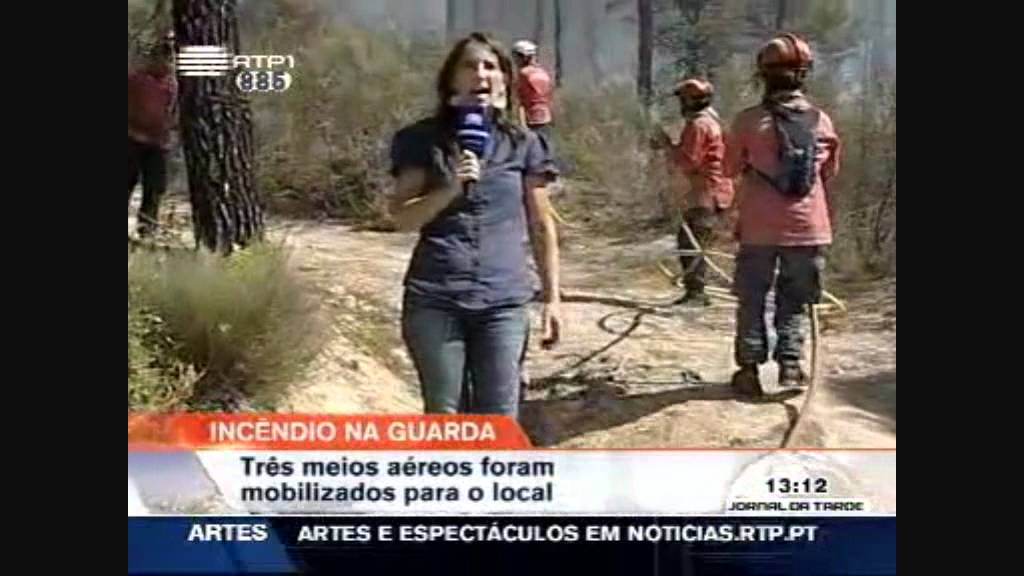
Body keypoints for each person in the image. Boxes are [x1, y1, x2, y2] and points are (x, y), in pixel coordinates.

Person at [388, 33, 562, 417]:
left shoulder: (524, 143)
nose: (480, 74)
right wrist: (450, 187)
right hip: (436, 297)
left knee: (499, 416)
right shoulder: (421, 139)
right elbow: (400, 217)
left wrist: (552, 298)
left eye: (491, 66)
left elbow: (540, 224)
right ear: (451, 79)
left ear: (504, 79)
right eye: (469, 65)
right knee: (445, 414)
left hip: (504, 301)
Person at [724, 33, 841, 395]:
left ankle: (748, 371)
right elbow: (829, 173)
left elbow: (729, 168)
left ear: (763, 74)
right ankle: (791, 365)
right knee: (795, 298)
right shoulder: (822, 122)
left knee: (752, 297)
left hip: (758, 227)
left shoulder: (747, 122)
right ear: (804, 75)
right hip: (808, 228)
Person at [665, 77, 734, 306]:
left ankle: (696, 293)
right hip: (715, 189)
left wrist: (667, 146)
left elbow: (689, 161)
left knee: (690, 243)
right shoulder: (712, 121)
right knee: (696, 242)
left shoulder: (698, 125)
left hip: (707, 192)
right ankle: (696, 290)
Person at [128, 39, 177, 238]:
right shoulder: (135, 80)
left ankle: (147, 230)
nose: (167, 63)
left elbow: (174, 111)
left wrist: (172, 130)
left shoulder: (172, 84)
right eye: (164, 57)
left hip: (158, 143)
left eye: (171, 59)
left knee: (155, 188)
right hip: (132, 139)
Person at [512, 40, 554, 152]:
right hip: (545, 116)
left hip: (530, 118)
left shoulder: (524, 74)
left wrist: (521, 123)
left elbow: (520, 100)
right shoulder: (543, 73)